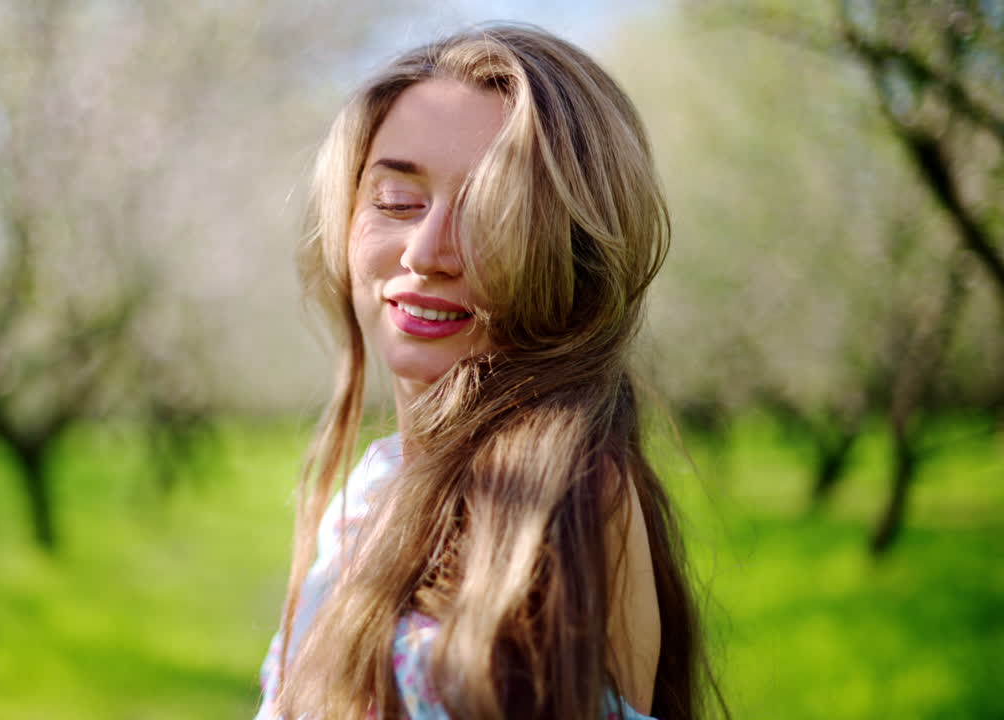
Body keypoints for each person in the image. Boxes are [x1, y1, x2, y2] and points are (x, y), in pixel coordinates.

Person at [256, 23, 719, 720]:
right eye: (396, 201)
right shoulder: (368, 494)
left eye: (493, 212)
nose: (427, 251)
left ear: (573, 255)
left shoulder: (563, 497)